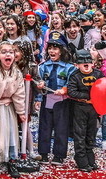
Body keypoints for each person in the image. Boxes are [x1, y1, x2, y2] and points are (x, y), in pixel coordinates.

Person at [0, 41, 26, 177]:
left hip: (9, 105)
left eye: (10, 52)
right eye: (4, 52)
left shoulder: (16, 72)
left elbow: (19, 93)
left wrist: (21, 111)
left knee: (11, 132)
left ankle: (11, 160)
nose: (8, 54)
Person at [36, 32, 75, 164]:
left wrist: (64, 89)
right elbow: (38, 82)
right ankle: (43, 153)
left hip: (62, 102)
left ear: (62, 50)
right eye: (50, 48)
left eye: (56, 48)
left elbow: (72, 84)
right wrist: (39, 88)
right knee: (45, 127)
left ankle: (59, 155)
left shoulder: (69, 68)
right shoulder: (43, 66)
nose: (52, 51)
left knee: (61, 128)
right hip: (47, 99)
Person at [67, 49, 105, 172]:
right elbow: (71, 91)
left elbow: (105, 86)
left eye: (88, 60)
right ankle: (81, 159)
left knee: (91, 133)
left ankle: (89, 157)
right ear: (76, 64)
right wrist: (88, 96)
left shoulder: (98, 74)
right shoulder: (75, 76)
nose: (86, 64)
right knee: (80, 134)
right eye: (82, 61)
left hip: (94, 109)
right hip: (80, 108)